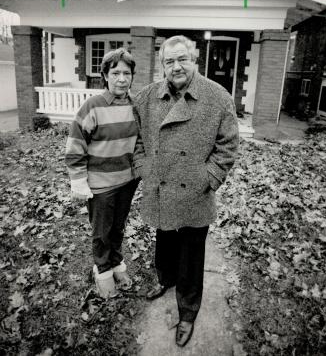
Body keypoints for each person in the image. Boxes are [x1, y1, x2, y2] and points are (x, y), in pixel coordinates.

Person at [133, 35, 239, 347]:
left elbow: (229, 146)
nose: (176, 66)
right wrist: (143, 168)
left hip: (195, 192)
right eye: (169, 61)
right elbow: (136, 139)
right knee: (164, 240)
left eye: (182, 59)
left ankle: (188, 311)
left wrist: (209, 178)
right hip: (161, 188)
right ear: (162, 64)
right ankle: (165, 279)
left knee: (191, 256)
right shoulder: (147, 97)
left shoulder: (217, 96)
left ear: (194, 60)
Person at [65, 48, 138, 299]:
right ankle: (103, 270)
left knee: (118, 228)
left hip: (127, 181)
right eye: (115, 72)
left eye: (126, 73)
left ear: (132, 76)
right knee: (102, 232)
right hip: (101, 184)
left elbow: (140, 143)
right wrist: (78, 180)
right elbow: (76, 144)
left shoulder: (135, 106)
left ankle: (117, 264)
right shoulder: (93, 106)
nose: (121, 78)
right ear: (105, 75)